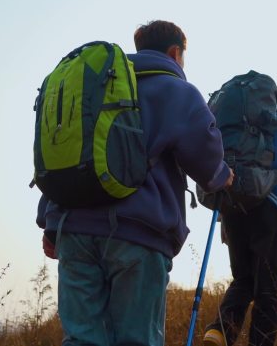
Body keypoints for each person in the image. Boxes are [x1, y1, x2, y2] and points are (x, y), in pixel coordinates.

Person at [36, 20, 234, 346]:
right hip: (138, 233)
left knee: (81, 340)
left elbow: (67, 148)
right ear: (175, 52)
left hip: (72, 227)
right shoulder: (176, 90)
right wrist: (222, 175)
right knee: (137, 339)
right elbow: (206, 159)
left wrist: (50, 222)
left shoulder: (94, 86)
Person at [204, 86, 277, 346]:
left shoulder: (239, 125)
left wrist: (224, 220)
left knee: (243, 279)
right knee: (268, 288)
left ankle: (219, 331)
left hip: (233, 206)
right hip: (272, 209)